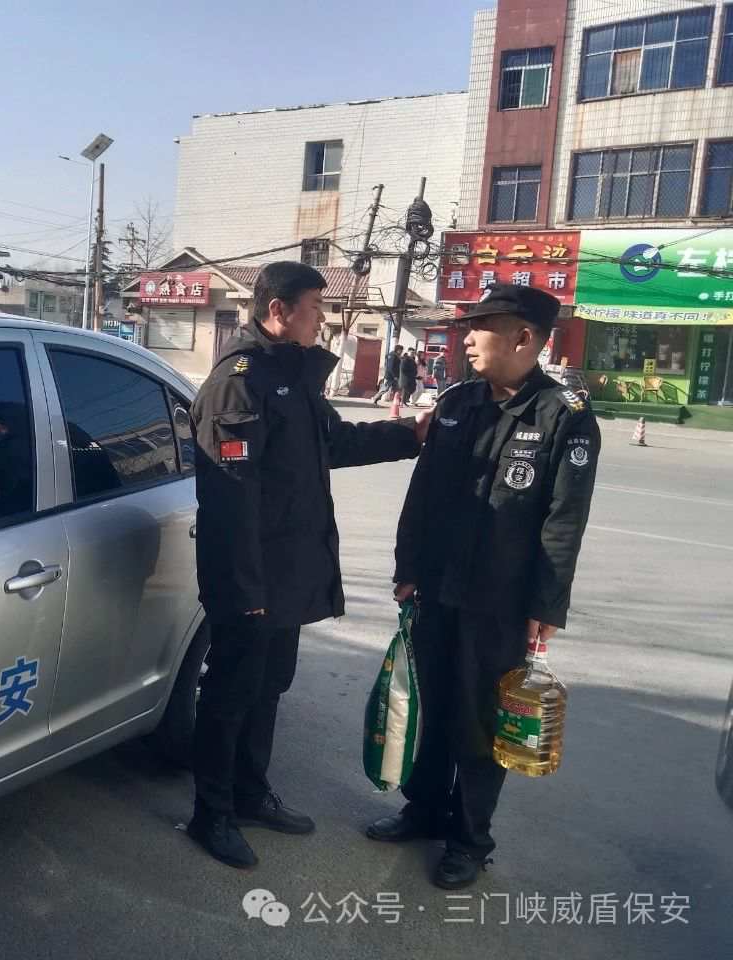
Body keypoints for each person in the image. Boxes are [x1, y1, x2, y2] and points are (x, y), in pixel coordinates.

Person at [188, 261, 430, 869]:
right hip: (250, 577)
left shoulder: (289, 377)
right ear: (279, 310)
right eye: (316, 307)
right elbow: (230, 500)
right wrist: (245, 590)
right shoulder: (239, 383)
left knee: (269, 686)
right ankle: (211, 814)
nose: (322, 318)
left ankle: (250, 793)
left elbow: (335, 443)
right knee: (230, 693)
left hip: (285, 572)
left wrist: (410, 435)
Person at [366, 284, 600, 889]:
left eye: (481, 327)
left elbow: (564, 521)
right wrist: (407, 569)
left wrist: (546, 605)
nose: (466, 338)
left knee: (478, 720)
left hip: (500, 601)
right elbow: (422, 495)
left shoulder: (564, 416)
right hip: (435, 587)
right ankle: (422, 810)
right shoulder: (457, 402)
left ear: (523, 338)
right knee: (430, 705)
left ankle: (469, 840)